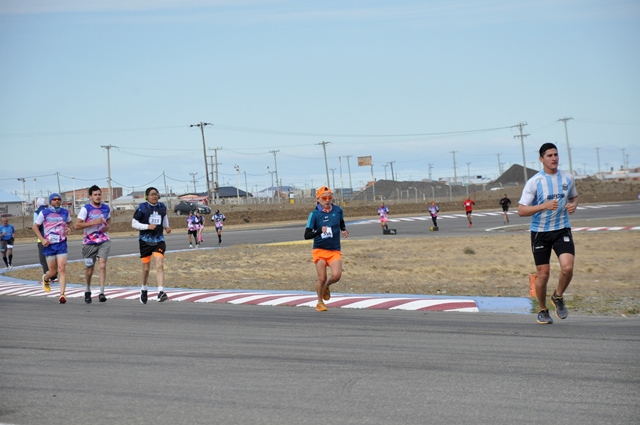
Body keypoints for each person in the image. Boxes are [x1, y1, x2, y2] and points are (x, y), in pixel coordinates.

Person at [518, 143, 578, 325]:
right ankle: (543, 310)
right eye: (550, 155)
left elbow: (574, 196)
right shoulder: (535, 182)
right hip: (540, 233)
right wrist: (543, 205)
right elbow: (521, 210)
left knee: (567, 268)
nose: (554, 158)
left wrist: (574, 205)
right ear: (541, 159)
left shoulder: (568, 178)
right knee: (543, 274)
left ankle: (558, 297)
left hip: (562, 229)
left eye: (556, 155)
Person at [304, 186, 349, 312]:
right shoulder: (314, 214)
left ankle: (327, 287)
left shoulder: (338, 210)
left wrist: (343, 230)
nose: (327, 200)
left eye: (330, 197)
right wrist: (319, 231)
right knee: (322, 277)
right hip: (319, 250)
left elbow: (341, 222)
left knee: (336, 275)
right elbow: (307, 235)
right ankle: (319, 302)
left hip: (334, 249)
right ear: (318, 199)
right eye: (324, 198)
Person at [131, 187, 172, 304]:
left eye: (156, 194)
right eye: (152, 194)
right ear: (147, 196)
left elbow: (164, 219)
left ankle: (160, 292)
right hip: (145, 240)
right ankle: (144, 289)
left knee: (159, 264)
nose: (154, 196)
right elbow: (134, 223)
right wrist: (147, 226)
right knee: (146, 268)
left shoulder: (162, 207)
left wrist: (167, 227)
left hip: (159, 239)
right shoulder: (141, 207)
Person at [32, 193, 73, 304]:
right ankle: (46, 278)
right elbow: (35, 227)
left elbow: (70, 223)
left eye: (58, 199)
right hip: (49, 245)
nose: (57, 201)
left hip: (61, 243)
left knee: (62, 268)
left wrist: (69, 229)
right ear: (50, 202)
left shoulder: (65, 212)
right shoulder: (44, 213)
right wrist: (42, 239)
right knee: (53, 272)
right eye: (54, 199)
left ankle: (62, 294)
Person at [75, 185, 111, 303]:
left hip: (103, 240)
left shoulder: (106, 208)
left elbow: (109, 220)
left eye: (99, 194)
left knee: (102, 265)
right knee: (90, 269)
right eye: (95, 195)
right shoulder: (86, 209)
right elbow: (77, 225)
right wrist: (93, 222)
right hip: (89, 242)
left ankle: (101, 292)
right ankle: (87, 289)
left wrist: (107, 227)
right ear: (90, 196)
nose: (97, 197)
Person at [33, 197, 56, 279]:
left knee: (43, 259)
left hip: (42, 239)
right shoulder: (50, 210)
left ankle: (47, 276)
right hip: (52, 237)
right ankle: (54, 276)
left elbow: (35, 226)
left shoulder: (37, 212)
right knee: (52, 257)